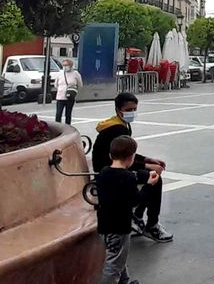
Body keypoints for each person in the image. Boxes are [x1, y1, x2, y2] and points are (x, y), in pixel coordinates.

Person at [92, 93, 174, 242]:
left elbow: (126, 153)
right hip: (110, 171)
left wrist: (148, 159)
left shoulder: (120, 123)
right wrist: (148, 165)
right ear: (118, 110)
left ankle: (136, 217)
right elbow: (122, 157)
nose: (132, 113)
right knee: (154, 178)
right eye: (129, 109)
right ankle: (151, 225)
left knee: (149, 174)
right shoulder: (117, 129)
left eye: (135, 109)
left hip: (112, 167)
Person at [96, 135, 160, 284]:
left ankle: (124, 281)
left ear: (110, 155)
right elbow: (135, 200)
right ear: (131, 158)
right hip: (119, 227)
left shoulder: (104, 172)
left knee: (118, 256)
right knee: (114, 263)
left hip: (104, 224)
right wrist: (149, 185)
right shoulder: (128, 177)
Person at [54, 59, 83, 124]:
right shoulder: (60, 74)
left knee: (68, 114)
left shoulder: (75, 74)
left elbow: (80, 85)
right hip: (60, 97)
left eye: (66, 65)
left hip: (70, 97)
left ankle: (68, 127)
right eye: (63, 65)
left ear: (70, 65)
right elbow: (56, 84)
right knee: (58, 114)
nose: (65, 67)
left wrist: (74, 92)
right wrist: (61, 89)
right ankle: (58, 127)